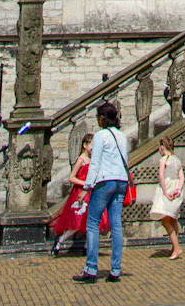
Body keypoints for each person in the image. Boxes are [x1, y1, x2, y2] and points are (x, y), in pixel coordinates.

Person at [75, 101, 128, 285]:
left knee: (92, 223)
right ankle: (115, 269)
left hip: (105, 181)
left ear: (102, 118)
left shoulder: (100, 136)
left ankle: (91, 268)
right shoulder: (122, 136)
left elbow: (95, 164)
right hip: (121, 181)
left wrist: (86, 188)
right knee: (116, 225)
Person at [50, 135, 104, 257]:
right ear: (85, 146)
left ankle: (87, 247)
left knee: (91, 221)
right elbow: (71, 177)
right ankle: (60, 240)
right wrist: (85, 183)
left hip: (91, 192)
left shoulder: (94, 160)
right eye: (92, 146)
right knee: (77, 221)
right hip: (81, 193)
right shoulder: (81, 160)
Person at [149, 134, 184, 259]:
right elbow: (182, 177)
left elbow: (161, 176)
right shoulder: (177, 160)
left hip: (167, 189)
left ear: (163, 147)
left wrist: (164, 191)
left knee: (165, 220)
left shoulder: (164, 160)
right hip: (175, 189)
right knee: (172, 219)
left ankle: (177, 247)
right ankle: (175, 247)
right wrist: (178, 190)